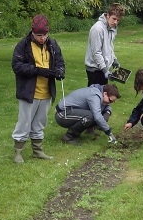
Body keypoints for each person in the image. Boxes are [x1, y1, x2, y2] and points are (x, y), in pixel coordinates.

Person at [11, 15, 65, 163]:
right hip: (29, 92)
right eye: (39, 35)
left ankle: (37, 150)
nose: (42, 38)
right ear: (32, 33)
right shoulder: (23, 45)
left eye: (45, 35)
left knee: (40, 122)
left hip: (46, 92)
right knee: (24, 122)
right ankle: (18, 152)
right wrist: (38, 70)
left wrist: (60, 71)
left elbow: (60, 61)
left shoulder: (52, 44)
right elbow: (17, 66)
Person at [54, 83, 121, 145]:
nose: (110, 103)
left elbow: (106, 106)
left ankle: (81, 132)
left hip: (68, 112)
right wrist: (109, 133)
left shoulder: (99, 92)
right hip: (62, 115)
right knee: (92, 116)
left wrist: (108, 112)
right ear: (105, 94)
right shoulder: (94, 95)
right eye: (110, 100)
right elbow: (97, 116)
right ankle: (68, 136)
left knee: (95, 115)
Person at [85, 3, 125, 85]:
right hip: (95, 69)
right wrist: (105, 70)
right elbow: (96, 52)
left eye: (118, 20)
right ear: (107, 15)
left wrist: (114, 60)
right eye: (114, 19)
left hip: (103, 69)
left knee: (104, 95)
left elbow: (109, 46)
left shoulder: (112, 28)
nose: (115, 22)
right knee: (95, 96)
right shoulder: (98, 29)